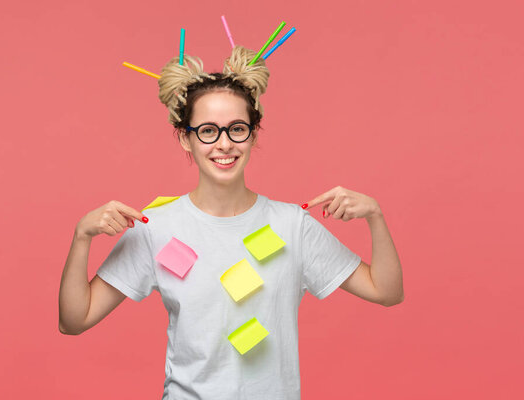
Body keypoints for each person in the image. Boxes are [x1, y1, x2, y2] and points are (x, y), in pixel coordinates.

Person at [58, 45, 404, 399]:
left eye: (236, 128)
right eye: (208, 130)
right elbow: (74, 320)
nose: (224, 144)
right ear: (185, 138)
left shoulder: (292, 225)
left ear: (253, 134)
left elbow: (387, 291)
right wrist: (82, 236)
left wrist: (375, 217)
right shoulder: (155, 228)